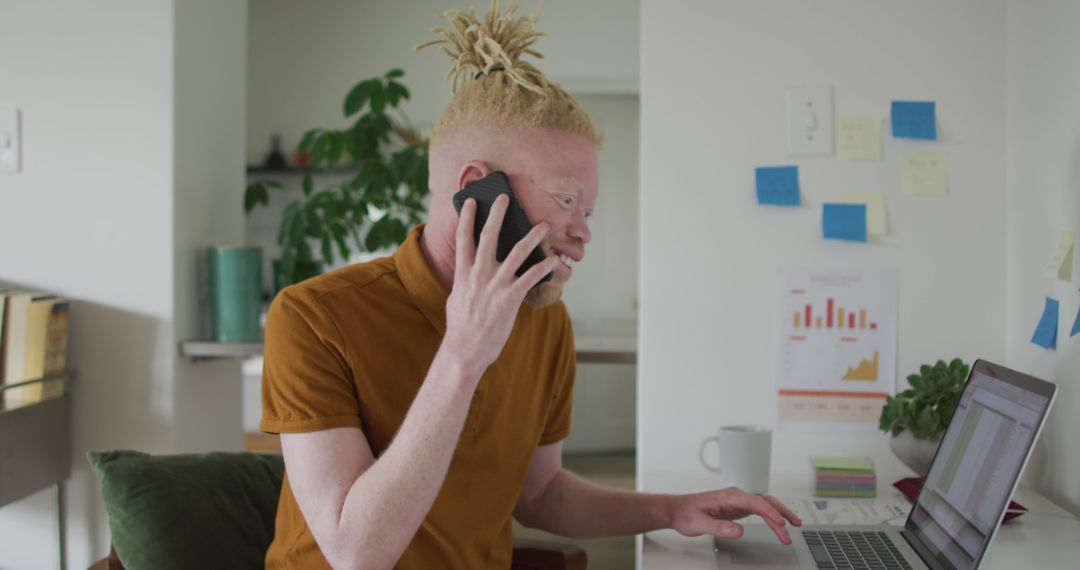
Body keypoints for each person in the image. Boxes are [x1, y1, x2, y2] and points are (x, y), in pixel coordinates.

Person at [260, 2, 801, 568]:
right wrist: (463, 354)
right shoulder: (313, 317)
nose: (584, 233)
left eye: (589, 210)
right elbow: (356, 552)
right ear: (476, 188)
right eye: (566, 200)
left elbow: (541, 494)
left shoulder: (544, 318)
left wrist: (672, 509)